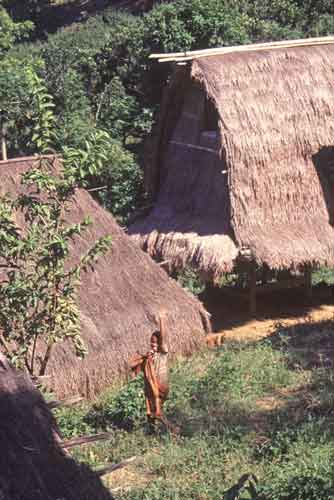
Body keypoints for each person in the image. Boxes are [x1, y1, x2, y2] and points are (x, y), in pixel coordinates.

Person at [129, 312, 170, 427]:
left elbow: (163, 336)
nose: (152, 344)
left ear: (160, 343)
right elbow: (136, 365)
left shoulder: (163, 352)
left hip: (161, 385)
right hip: (152, 386)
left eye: (155, 342)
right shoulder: (149, 356)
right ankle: (152, 431)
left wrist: (162, 320)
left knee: (157, 410)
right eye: (151, 342)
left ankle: (172, 429)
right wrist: (145, 358)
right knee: (151, 412)